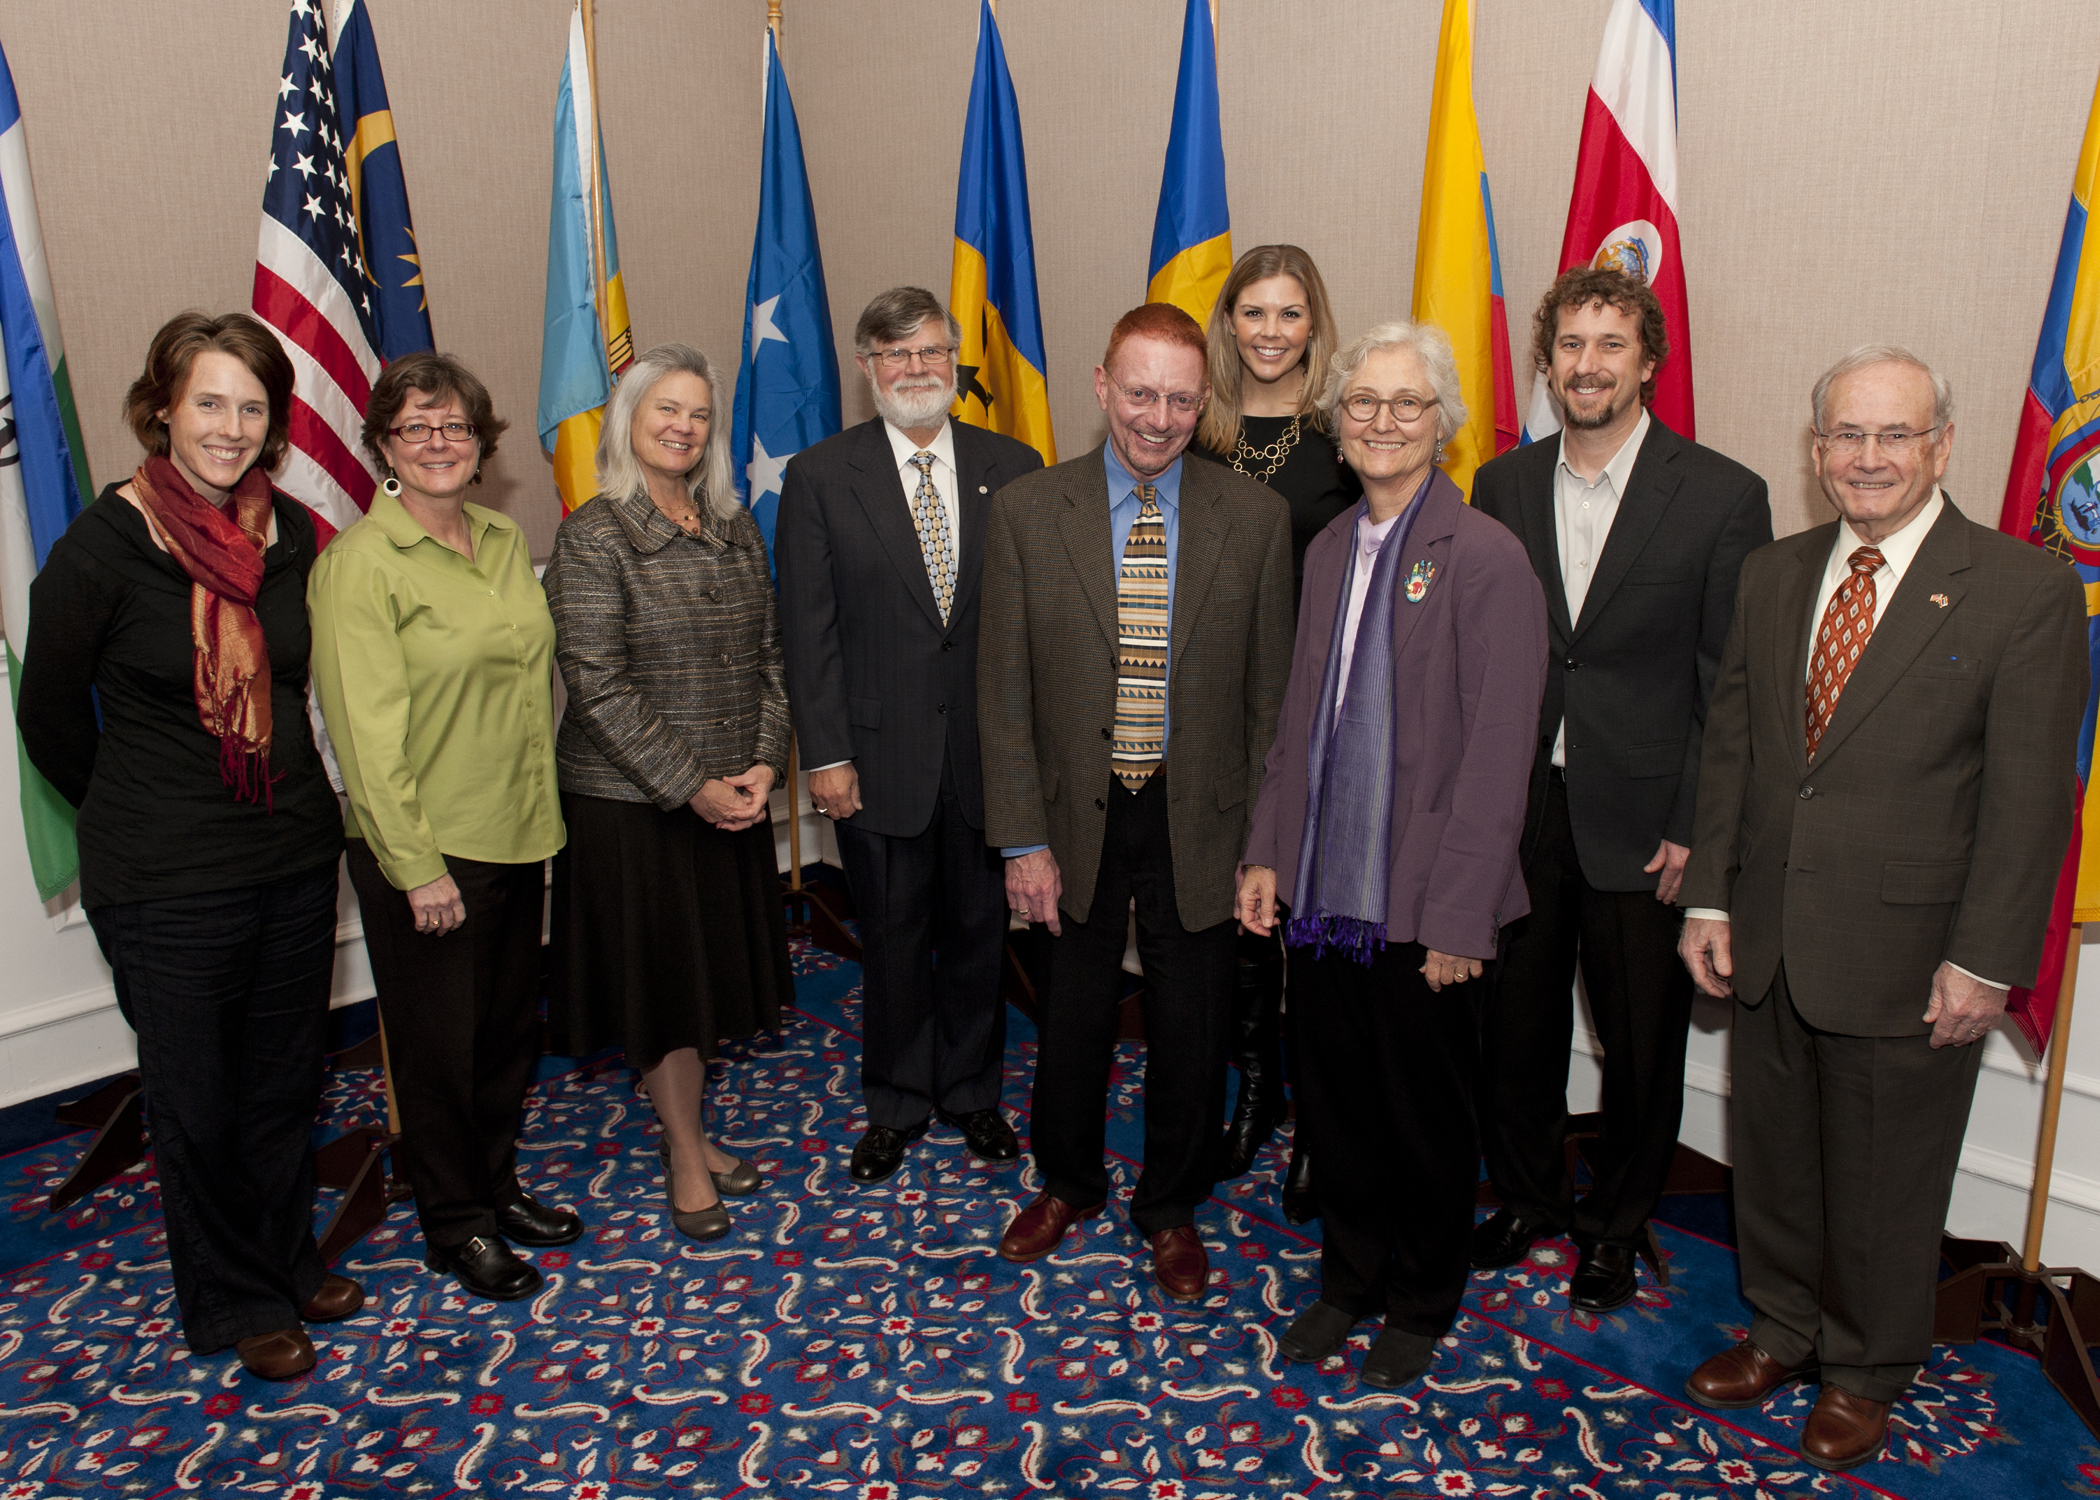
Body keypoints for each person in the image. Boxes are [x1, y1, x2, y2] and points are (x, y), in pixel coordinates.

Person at [1677, 347, 2086, 1470]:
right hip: (1765, 933)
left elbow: (2030, 804)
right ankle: (1782, 1329)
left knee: (1882, 1179)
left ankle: (1864, 1369)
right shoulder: (1775, 573)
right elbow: (1736, 752)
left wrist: (1987, 960)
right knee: (1773, 1155)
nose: (1866, 458)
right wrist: (1710, 895)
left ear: (1942, 445)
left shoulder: (2023, 588)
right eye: (1845, 437)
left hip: (1912, 951)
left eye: (1893, 436)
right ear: (1816, 454)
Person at [19, 311, 359, 1380]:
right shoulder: (102, 545)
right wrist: (135, 806)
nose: (229, 425)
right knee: (197, 1096)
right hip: (166, 880)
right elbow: (49, 718)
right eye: (208, 402)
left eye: (251, 407)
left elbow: (301, 683)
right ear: (161, 410)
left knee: (282, 1082)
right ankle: (232, 1301)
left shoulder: (292, 534)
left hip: (293, 856)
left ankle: (287, 1258)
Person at [1238, 320, 1547, 1389]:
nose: (1381, 422)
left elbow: (1500, 761)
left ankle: (1421, 1296)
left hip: (1425, 907)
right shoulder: (1326, 549)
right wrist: (1268, 856)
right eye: (1361, 403)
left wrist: (1463, 920)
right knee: (1336, 1102)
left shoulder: (1489, 559)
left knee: (1422, 1116)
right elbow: (1298, 726)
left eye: (1405, 404)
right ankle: (1349, 1279)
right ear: (1335, 422)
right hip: (1326, 892)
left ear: (1443, 424)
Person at [1469, 266, 1771, 1310]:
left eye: (1610, 345)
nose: (1586, 365)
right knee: (1516, 1026)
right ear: (1545, 361)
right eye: (1569, 345)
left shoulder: (1723, 495)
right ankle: (1525, 1197)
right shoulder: (1502, 486)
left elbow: (1729, 689)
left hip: (1649, 824)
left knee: (1643, 1044)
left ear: (1648, 363)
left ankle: (1615, 1223)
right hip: (1520, 809)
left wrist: (1701, 829)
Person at [980, 301, 1293, 1301]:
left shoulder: (1257, 520)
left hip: (1200, 815)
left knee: (1192, 1024)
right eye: (1140, 392)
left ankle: (1170, 1207)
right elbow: (1005, 695)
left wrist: (1265, 847)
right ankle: (1066, 1182)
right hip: (1073, 813)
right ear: (1102, 388)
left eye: (1180, 399)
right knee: (1071, 1014)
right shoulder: (1030, 512)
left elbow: (1269, 701)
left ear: (1205, 406)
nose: (1157, 417)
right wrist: (1022, 838)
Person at [308, 352, 575, 1303]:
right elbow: (364, 739)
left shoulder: (502, 538)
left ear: (480, 442)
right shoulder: (357, 567)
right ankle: (453, 1222)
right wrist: (418, 868)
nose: (437, 443)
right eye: (416, 428)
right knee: (438, 1047)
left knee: (506, 1034)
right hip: (425, 851)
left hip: (516, 828)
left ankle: (496, 1186)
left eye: (455, 426)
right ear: (383, 445)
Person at [776, 288, 1044, 1183]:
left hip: (983, 756)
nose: (915, 370)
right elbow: (807, 631)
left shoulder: (1015, 466)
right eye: (894, 356)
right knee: (890, 942)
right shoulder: (820, 477)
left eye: (929, 352)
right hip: (873, 760)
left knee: (978, 935)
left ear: (955, 358)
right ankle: (894, 1100)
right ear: (866, 370)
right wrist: (826, 754)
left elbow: (1030, 624)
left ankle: (971, 1093)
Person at [544, 342, 791, 1241]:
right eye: (666, 411)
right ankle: (686, 1150)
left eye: (697, 413)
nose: (683, 427)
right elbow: (597, 684)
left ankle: (693, 1128)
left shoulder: (733, 525)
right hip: (634, 805)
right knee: (662, 987)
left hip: (733, 794)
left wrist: (766, 762)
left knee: (705, 981)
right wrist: (692, 786)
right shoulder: (594, 532)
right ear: (630, 423)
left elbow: (771, 657)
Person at [1197, 245, 1359, 1215]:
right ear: (1228, 325)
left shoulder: (1345, 435)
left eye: (1288, 314)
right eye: (1251, 313)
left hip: (1328, 714)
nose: (1269, 332)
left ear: (1314, 325)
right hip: (1221, 715)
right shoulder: (1199, 435)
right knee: (1245, 927)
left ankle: (1319, 1128)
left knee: (1321, 930)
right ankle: (1255, 1097)